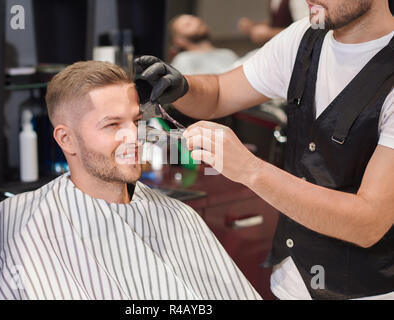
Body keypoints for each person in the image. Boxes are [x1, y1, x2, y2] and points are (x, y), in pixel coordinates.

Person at [134, 0, 394, 300]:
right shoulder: (302, 38)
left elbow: (367, 223)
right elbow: (219, 94)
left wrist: (250, 169)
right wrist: (182, 87)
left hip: (367, 291)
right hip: (290, 281)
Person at [0, 61, 260, 300]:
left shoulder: (179, 216)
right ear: (66, 139)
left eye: (134, 121)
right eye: (112, 125)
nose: (133, 136)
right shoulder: (17, 218)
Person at [168, 14, 238, 75]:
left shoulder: (228, 54)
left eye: (195, 19)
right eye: (188, 24)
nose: (197, 22)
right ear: (179, 40)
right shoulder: (183, 59)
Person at [238, 0, 310, 45]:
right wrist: (253, 26)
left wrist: (269, 33)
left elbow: (303, 31)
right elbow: (277, 22)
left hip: (290, 50)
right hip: (277, 47)